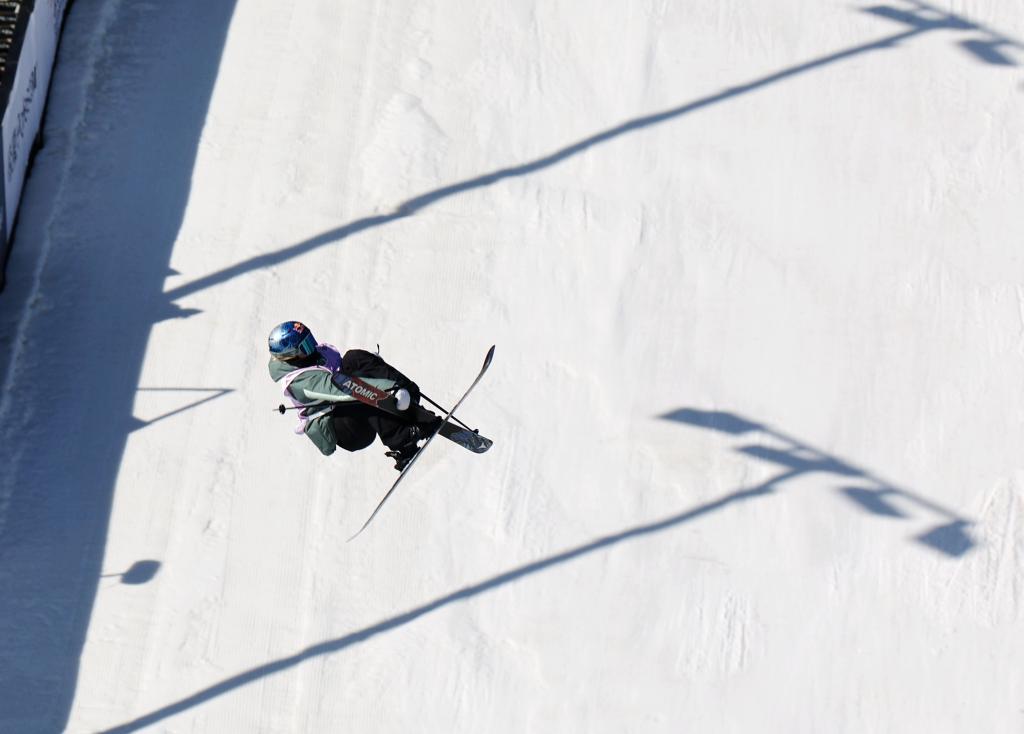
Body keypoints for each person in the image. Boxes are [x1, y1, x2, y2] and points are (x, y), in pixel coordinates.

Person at [268, 321, 441, 470]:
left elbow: (347, 367)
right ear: (290, 356)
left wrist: (374, 367)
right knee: (357, 391)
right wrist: (390, 390)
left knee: (355, 357)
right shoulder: (298, 381)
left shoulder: (313, 355)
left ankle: (411, 402)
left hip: (351, 407)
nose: (312, 347)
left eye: (310, 340)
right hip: (345, 430)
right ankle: (403, 441)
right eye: (305, 346)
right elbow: (340, 388)